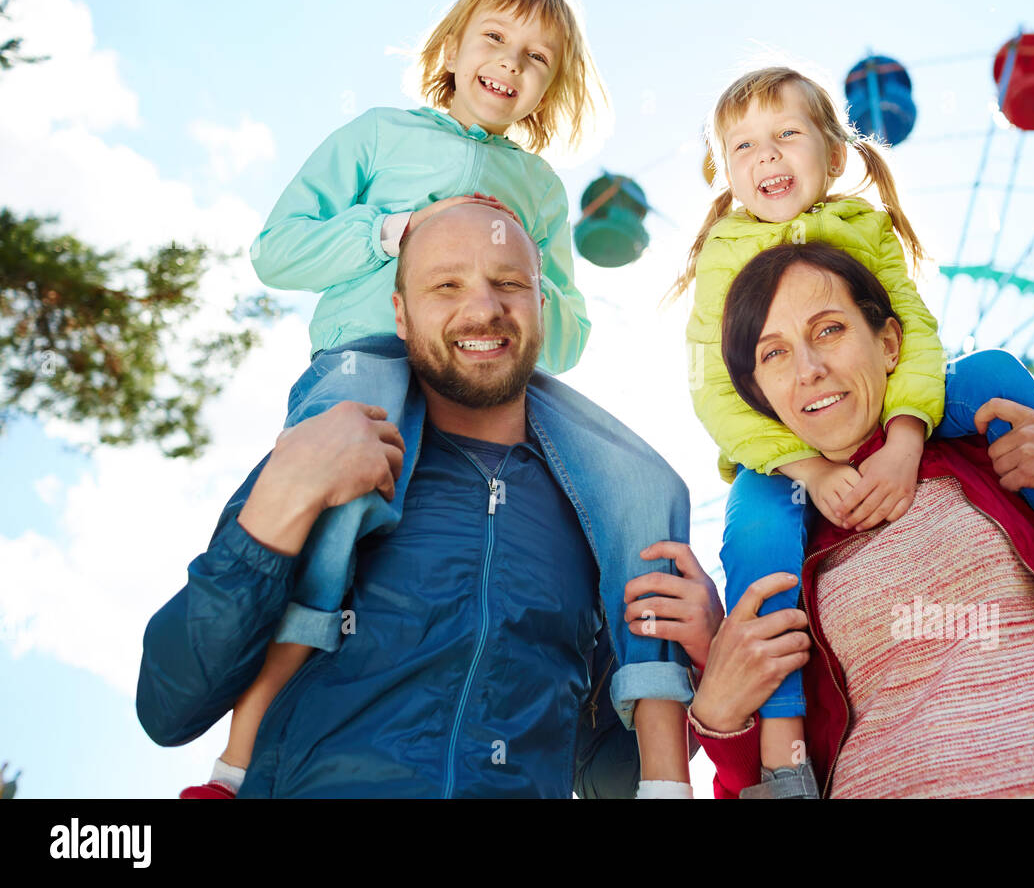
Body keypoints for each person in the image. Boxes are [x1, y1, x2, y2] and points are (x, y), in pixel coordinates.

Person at [180, 0, 694, 797]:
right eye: (494, 39)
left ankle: (662, 768)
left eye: (537, 58)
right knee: (333, 504)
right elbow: (279, 249)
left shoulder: (540, 191)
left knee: (644, 483)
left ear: (548, 88)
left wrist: (511, 272)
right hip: (367, 356)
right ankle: (236, 761)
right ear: (451, 48)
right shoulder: (378, 136)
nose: (511, 64)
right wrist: (397, 232)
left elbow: (565, 335)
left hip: (484, 378)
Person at [668, 65, 1034, 790]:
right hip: (782, 477)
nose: (806, 369)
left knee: (990, 368)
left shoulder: (1001, 451)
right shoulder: (782, 526)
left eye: (830, 328)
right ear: (756, 384)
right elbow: (731, 783)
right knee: (754, 527)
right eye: (772, 352)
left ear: (886, 342)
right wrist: (719, 705)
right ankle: (787, 762)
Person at [137, 204, 707, 798]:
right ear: (401, 316)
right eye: (446, 285)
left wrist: (704, 674)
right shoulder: (323, 455)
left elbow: (604, 779)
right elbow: (170, 703)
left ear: (542, 305)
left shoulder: (600, 515)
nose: (484, 308)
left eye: (510, 283)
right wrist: (283, 494)